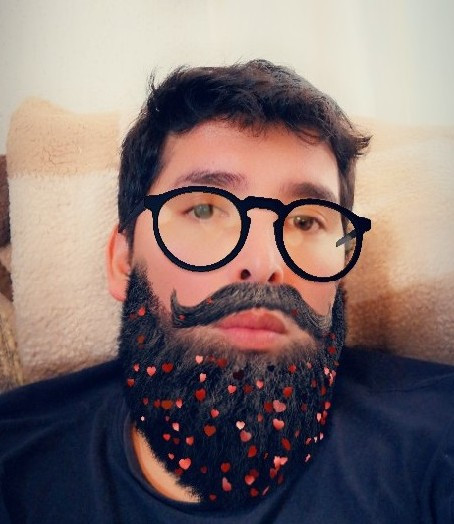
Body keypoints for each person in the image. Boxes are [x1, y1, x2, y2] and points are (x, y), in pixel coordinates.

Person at [0, 60, 453, 524]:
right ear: (122, 261)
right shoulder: (14, 465)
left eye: (306, 220)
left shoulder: (438, 435)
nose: (265, 263)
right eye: (204, 209)